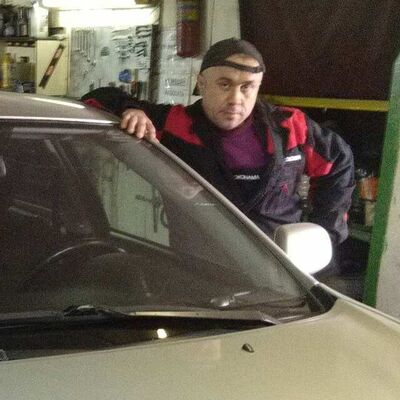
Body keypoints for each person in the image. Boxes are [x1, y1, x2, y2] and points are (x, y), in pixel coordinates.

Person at [81, 37, 355, 248]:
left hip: (279, 271)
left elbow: (339, 160)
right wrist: (130, 108)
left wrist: (326, 232)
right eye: (225, 84)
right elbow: (95, 98)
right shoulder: (175, 125)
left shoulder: (290, 128)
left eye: (247, 87)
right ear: (202, 83)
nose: (236, 99)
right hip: (201, 269)